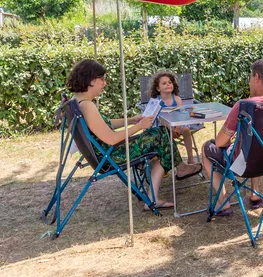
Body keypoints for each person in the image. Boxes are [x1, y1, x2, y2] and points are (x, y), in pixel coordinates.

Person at [65, 59, 197, 209]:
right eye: (101, 78)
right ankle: (174, 175)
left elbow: (103, 124)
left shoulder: (78, 101)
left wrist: (131, 120)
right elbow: (111, 138)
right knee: (162, 135)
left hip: (105, 152)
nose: (104, 83)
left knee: (161, 134)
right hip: (111, 156)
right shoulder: (87, 106)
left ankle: (175, 173)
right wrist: (140, 126)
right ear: (90, 80)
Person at [202, 58, 263, 215]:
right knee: (256, 144)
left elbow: (221, 142)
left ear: (256, 77)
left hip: (245, 165)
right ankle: (255, 193)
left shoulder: (245, 106)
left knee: (207, 147)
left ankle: (223, 202)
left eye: (250, 77)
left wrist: (228, 140)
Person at [149, 69, 198, 166]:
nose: (168, 84)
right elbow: (159, 118)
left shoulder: (177, 99)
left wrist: (178, 128)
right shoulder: (156, 101)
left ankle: (190, 159)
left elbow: (180, 115)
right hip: (163, 126)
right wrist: (170, 129)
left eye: (170, 82)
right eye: (164, 83)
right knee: (163, 134)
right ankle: (162, 162)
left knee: (186, 130)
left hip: (177, 124)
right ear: (158, 88)